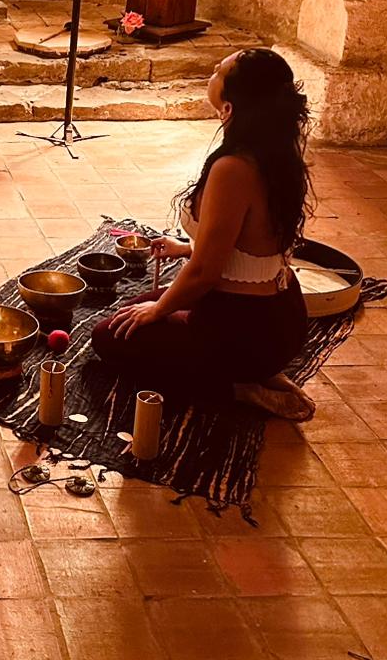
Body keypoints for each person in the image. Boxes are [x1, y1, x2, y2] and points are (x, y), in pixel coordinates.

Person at [91, 48, 314, 420]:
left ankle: (239, 387)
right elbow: (248, 241)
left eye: (219, 71)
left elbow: (205, 274)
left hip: (245, 328)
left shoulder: (234, 168)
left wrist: (159, 309)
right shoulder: (277, 148)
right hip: (282, 316)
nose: (212, 70)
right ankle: (254, 369)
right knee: (131, 312)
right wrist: (185, 248)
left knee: (108, 337)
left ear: (228, 107)